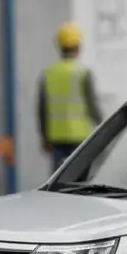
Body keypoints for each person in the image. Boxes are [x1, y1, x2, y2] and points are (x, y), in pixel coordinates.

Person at [37, 21, 103, 173]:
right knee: (80, 180)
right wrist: (104, 129)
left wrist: (44, 137)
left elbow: (42, 109)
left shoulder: (48, 74)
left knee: (58, 181)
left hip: (57, 138)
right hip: (80, 138)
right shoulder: (83, 73)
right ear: (78, 47)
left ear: (59, 46)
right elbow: (92, 106)